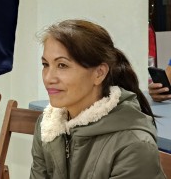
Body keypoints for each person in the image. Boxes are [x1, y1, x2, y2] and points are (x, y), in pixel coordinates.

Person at [31, 19, 166, 179]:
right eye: (45, 64)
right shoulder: (48, 125)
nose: (48, 78)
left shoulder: (134, 144)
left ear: (99, 73)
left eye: (62, 65)